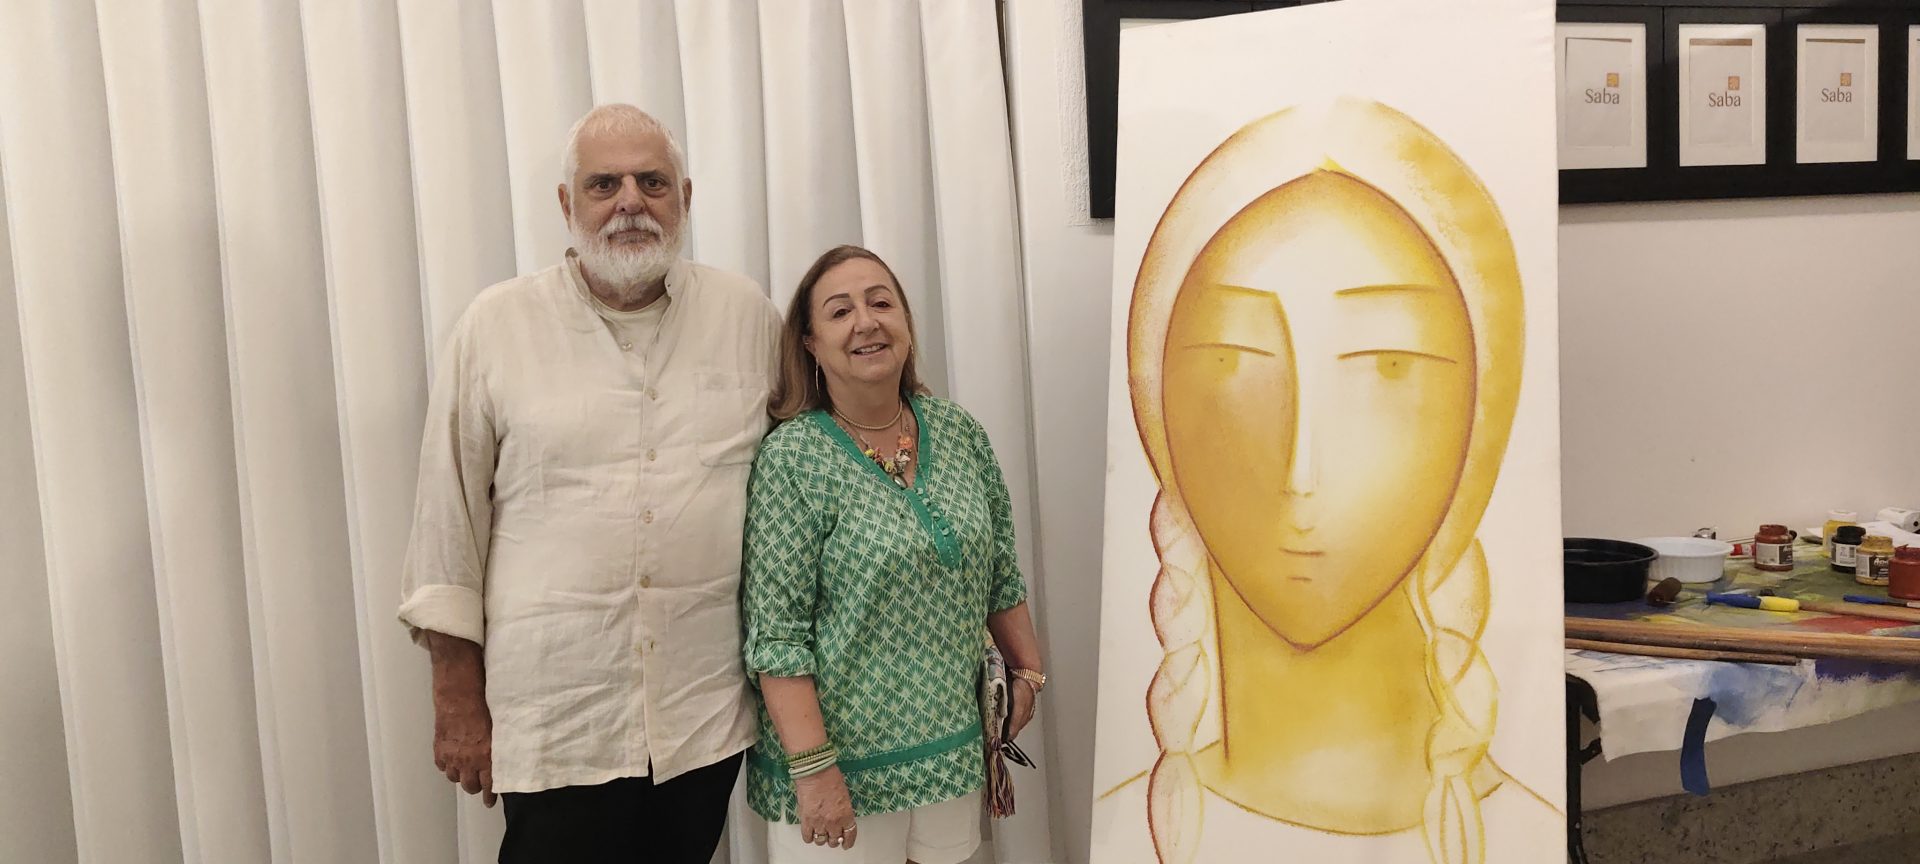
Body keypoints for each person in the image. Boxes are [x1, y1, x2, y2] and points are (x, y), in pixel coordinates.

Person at [1092, 99, 1558, 863]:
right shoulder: (1126, 830)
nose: (1301, 469)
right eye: (1231, 360)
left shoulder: (1527, 837)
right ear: (1158, 418)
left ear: (1480, 423)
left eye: (1390, 365)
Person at [397, 103, 781, 863]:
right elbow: (448, 519)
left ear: (685, 198)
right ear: (566, 203)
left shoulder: (746, 316)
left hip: (699, 710)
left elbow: (802, 479)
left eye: (652, 182)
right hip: (558, 711)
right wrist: (455, 696)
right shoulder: (496, 325)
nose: (631, 202)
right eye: (605, 184)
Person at [741, 245, 1046, 864]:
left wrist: (1028, 673)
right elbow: (776, 638)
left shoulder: (958, 432)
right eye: (840, 311)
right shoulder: (793, 458)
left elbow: (1000, 575)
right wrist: (815, 772)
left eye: (881, 303)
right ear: (810, 344)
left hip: (951, 754)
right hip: (838, 771)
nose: (866, 322)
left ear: (905, 322)